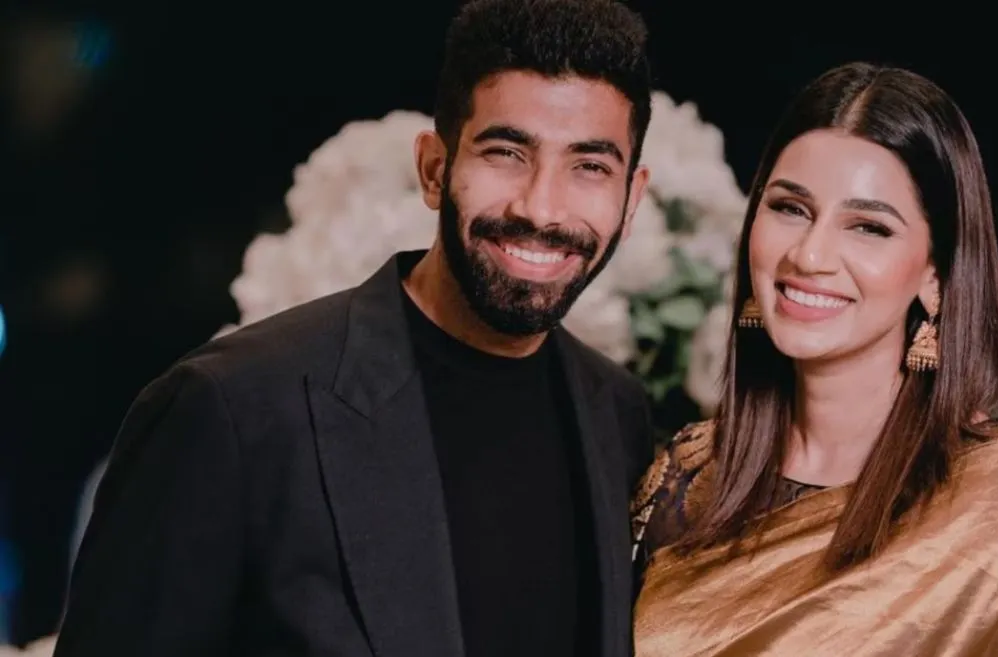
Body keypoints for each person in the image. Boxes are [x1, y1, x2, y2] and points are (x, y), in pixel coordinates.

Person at [53, 1, 656, 656]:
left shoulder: (620, 416)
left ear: (631, 199)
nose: (541, 207)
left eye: (590, 167)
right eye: (506, 153)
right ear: (434, 169)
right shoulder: (231, 408)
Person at [631, 63, 998, 656]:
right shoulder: (686, 475)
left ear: (936, 273)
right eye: (790, 209)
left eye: (868, 227)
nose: (810, 255)